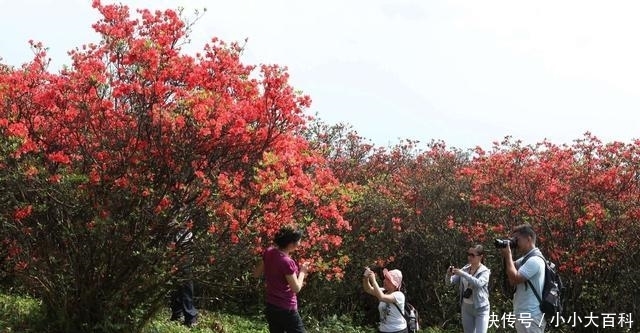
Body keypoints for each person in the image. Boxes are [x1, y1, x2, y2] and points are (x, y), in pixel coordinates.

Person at [253, 226, 309, 333]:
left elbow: (256, 274)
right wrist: (303, 272)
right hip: (286, 309)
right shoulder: (287, 262)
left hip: (271, 306)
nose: (300, 242)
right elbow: (296, 288)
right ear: (291, 244)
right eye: (299, 240)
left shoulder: (269, 252)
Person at [500, 224, 546, 333]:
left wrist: (508, 256)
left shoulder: (535, 260)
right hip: (524, 313)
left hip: (531, 314)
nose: (515, 243)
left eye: (517, 239)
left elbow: (515, 278)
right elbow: (511, 267)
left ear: (529, 239)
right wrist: (506, 250)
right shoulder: (526, 258)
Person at [446, 244, 491, 333]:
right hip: (466, 308)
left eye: (472, 255)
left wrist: (463, 274)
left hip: (480, 308)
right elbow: (449, 283)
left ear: (480, 257)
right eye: (468, 254)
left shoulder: (485, 271)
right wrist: (448, 275)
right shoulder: (466, 268)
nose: (469, 257)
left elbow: (478, 283)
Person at [362, 267, 408, 333]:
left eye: (388, 280)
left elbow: (382, 297)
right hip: (383, 330)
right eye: (385, 278)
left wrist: (374, 281)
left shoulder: (399, 295)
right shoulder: (383, 291)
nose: (384, 281)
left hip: (398, 330)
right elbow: (368, 289)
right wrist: (366, 277)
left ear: (395, 284)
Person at [170, 229, 198, 327]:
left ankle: (190, 316)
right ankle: (177, 313)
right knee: (174, 280)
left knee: (186, 281)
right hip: (171, 242)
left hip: (184, 244)